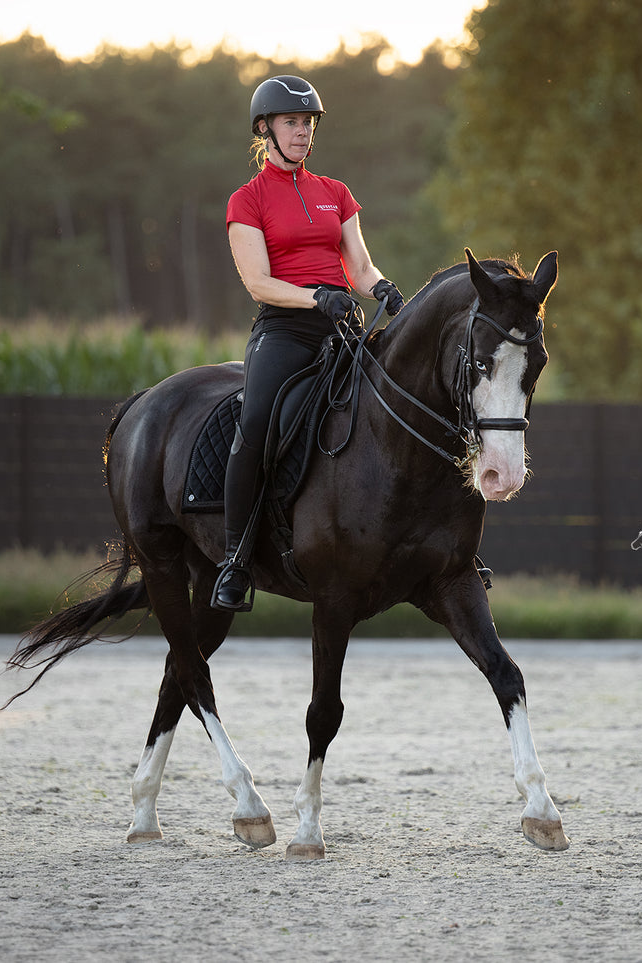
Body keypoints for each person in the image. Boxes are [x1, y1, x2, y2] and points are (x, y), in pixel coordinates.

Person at [213, 75, 405, 612]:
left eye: (308, 124)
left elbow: (360, 267)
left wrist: (384, 290)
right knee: (255, 424)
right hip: (284, 329)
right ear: (265, 129)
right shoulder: (246, 199)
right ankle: (234, 559)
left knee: (408, 403)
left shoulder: (335, 193)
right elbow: (258, 282)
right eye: (292, 123)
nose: (303, 133)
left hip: (341, 325)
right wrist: (316, 298)